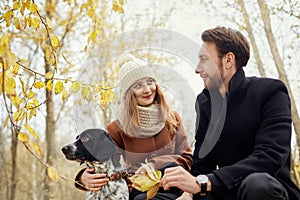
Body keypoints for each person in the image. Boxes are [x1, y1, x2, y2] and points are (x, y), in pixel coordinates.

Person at [161, 26, 300, 200]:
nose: (197, 69)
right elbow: (202, 163)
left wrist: (204, 183)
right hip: (223, 192)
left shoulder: (270, 91)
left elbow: (268, 158)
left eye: (204, 60)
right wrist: (188, 192)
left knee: (257, 184)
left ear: (228, 60)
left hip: (267, 189)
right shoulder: (204, 103)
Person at [74, 54, 193, 200]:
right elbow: (105, 161)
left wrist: (155, 164)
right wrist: (82, 178)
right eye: (138, 86)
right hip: (140, 192)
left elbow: (187, 158)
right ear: (129, 94)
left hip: (177, 187)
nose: (147, 89)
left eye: (150, 82)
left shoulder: (172, 119)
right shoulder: (117, 129)